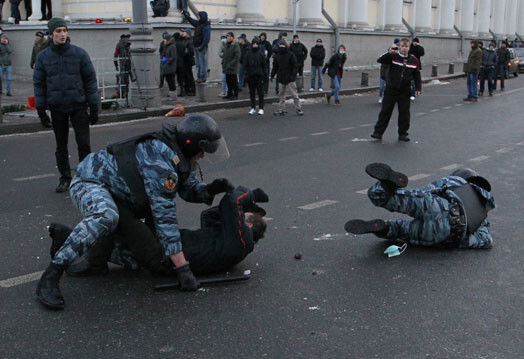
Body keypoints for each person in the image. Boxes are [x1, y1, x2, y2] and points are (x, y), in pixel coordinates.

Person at [35, 114, 233, 310]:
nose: (203, 156)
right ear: (191, 145)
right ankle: (51, 275)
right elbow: (164, 215)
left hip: (120, 195)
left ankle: (80, 249)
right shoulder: (160, 160)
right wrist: (182, 267)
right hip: (91, 181)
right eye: (202, 151)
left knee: (136, 261)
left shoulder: (179, 155)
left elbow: (187, 187)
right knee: (107, 216)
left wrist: (208, 190)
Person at [50, 186, 268, 277]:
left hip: (165, 255)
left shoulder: (242, 242)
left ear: (249, 226)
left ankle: (74, 247)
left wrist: (249, 196)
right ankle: (68, 239)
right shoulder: (225, 241)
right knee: (153, 205)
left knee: (121, 217)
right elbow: (209, 216)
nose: (238, 218)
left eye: (243, 217)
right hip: (168, 244)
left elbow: (231, 202)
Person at [345, 163, 495, 249]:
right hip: (447, 235)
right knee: (403, 232)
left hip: (440, 207)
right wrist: (458, 240)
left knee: (388, 198)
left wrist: (415, 199)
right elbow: (486, 241)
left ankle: (386, 187)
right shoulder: (483, 215)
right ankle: (385, 228)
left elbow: (429, 192)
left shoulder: (456, 182)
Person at [33, 18, 99, 192]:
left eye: (64, 30)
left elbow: (90, 81)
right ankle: (65, 178)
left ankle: (86, 177)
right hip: (57, 107)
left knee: (84, 143)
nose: (62, 34)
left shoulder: (79, 54)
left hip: (78, 105)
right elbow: (39, 84)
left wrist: (94, 106)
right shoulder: (43, 57)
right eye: (58, 31)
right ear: (51, 33)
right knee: (61, 145)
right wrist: (40, 110)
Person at [371, 38, 421, 142]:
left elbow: (417, 75)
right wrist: (389, 52)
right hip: (391, 89)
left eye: (406, 46)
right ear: (399, 46)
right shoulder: (393, 56)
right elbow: (380, 60)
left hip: (405, 91)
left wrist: (418, 88)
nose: (404, 48)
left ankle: (403, 134)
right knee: (385, 112)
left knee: (404, 114)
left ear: (409, 47)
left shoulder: (413, 60)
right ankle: (378, 133)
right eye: (402, 46)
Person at [271, 39, 303, 117]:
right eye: (280, 46)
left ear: (285, 46)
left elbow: (295, 66)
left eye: (283, 46)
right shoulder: (277, 56)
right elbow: (275, 67)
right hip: (281, 77)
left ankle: (298, 109)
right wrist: (272, 75)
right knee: (281, 94)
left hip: (290, 78)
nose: (281, 47)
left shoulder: (290, 55)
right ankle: (281, 109)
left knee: (294, 94)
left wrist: (293, 76)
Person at [182, 10, 210, 83]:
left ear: (202, 17)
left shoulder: (206, 26)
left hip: (201, 47)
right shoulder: (199, 24)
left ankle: (202, 77)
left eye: (199, 16)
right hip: (196, 46)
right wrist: (186, 15)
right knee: (198, 64)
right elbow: (191, 20)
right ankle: (199, 77)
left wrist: (202, 46)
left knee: (202, 63)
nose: (198, 17)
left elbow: (207, 38)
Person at [243, 36, 266, 115]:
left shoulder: (261, 54)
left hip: (259, 76)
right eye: (254, 44)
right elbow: (245, 65)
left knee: (260, 93)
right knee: (252, 93)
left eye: (256, 44)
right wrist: (246, 74)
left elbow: (264, 65)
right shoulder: (248, 53)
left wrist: (264, 75)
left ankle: (261, 108)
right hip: (251, 76)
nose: (255, 45)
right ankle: (252, 107)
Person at [378, 39, 399, 104]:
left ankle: (390, 99)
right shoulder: (386, 55)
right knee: (381, 87)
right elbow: (379, 59)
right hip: (383, 75)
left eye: (395, 49)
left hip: (391, 76)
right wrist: (389, 52)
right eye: (393, 48)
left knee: (390, 88)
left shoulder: (396, 56)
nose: (394, 50)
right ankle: (381, 97)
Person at [222, 31, 240, 100]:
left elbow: (237, 56)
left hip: (232, 68)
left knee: (233, 82)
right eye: (227, 36)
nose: (228, 38)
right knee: (228, 81)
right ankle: (229, 94)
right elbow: (225, 56)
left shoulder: (235, 45)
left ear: (233, 38)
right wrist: (223, 63)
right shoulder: (227, 45)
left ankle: (235, 94)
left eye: (230, 36)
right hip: (226, 67)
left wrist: (231, 64)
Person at [113, 34, 131, 98]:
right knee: (131, 79)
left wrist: (116, 65)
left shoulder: (119, 44)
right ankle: (128, 94)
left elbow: (115, 55)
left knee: (122, 80)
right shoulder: (131, 43)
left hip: (122, 64)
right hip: (130, 64)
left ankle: (122, 94)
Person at [160, 34, 177, 98]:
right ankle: (171, 93)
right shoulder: (166, 46)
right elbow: (163, 54)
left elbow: (173, 57)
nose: (163, 40)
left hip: (170, 67)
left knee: (171, 81)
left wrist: (167, 61)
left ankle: (173, 95)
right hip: (166, 66)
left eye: (165, 39)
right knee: (168, 80)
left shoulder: (172, 46)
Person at [180, 28, 195, 96]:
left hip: (188, 60)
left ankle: (192, 89)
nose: (183, 33)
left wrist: (185, 54)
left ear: (188, 33)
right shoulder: (184, 40)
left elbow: (191, 51)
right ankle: (187, 89)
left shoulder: (190, 41)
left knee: (189, 75)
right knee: (184, 75)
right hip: (184, 60)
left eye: (185, 32)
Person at [173, 32, 186, 97]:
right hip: (181, 62)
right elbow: (184, 53)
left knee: (173, 78)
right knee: (180, 78)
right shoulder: (182, 44)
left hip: (174, 63)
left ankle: (173, 91)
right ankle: (182, 91)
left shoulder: (174, 45)